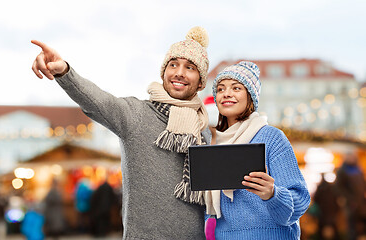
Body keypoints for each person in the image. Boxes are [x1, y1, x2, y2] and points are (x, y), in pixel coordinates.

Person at [31, 26, 211, 239]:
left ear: (200, 82)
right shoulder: (137, 115)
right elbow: (98, 101)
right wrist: (64, 71)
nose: (179, 72)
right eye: (173, 64)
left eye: (190, 67)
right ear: (164, 72)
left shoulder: (203, 131)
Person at [204, 61, 311, 239]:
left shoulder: (271, 138)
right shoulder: (212, 144)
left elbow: (300, 200)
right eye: (221, 89)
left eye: (236, 88)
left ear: (250, 97)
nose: (226, 93)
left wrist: (273, 194)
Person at [335, 151, 366, 240]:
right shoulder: (342, 170)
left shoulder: (358, 168)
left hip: (361, 202)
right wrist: (350, 199)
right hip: (351, 204)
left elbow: (362, 183)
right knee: (352, 227)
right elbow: (338, 188)